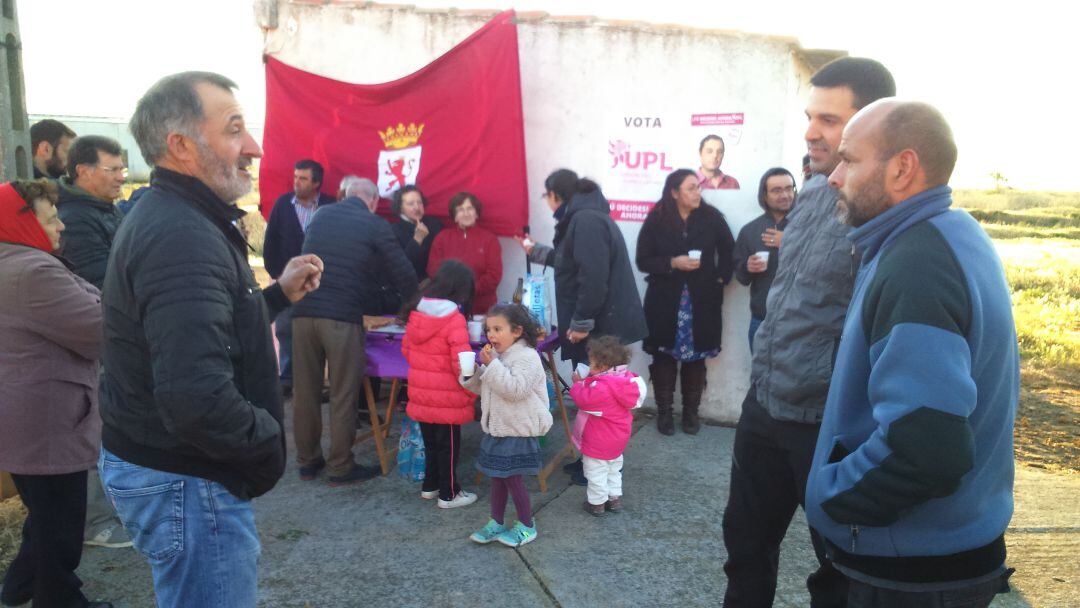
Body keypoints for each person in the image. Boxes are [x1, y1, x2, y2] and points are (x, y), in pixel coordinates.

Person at [97, 72, 324, 608]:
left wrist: (276, 296)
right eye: (234, 129)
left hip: (172, 469)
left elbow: (203, 332)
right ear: (181, 146)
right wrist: (265, 438)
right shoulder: (181, 234)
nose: (254, 147)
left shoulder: (183, 216)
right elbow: (193, 396)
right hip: (187, 479)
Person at [806, 100, 1017, 607]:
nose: (834, 177)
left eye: (850, 160)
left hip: (909, 576)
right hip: (940, 555)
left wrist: (830, 499)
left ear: (902, 168)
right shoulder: (948, 235)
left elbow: (928, 450)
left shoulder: (917, 265)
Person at [721, 57, 896, 608]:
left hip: (826, 428)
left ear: (871, 124)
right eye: (808, 116)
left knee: (840, 574)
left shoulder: (887, 210)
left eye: (826, 118)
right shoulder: (814, 193)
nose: (809, 131)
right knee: (744, 549)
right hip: (765, 408)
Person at [0, 180, 113, 608]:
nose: (61, 226)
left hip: (25, 415)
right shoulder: (34, 270)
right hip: (46, 418)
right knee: (61, 525)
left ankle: (19, 589)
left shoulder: (13, 261)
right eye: (51, 218)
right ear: (23, 223)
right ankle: (59, 600)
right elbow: (99, 329)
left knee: (44, 516)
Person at [290, 176, 418, 485]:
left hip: (302, 313)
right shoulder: (374, 224)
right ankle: (340, 466)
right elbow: (402, 271)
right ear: (373, 202)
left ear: (346, 194)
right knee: (343, 392)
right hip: (342, 316)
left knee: (305, 392)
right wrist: (414, 304)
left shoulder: (320, 216)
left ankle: (307, 463)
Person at [522, 169, 646, 484]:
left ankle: (603, 466)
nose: (548, 205)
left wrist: (580, 323)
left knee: (603, 400)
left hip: (599, 327)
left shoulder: (585, 220)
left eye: (547, 197)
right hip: (598, 324)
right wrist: (537, 252)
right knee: (596, 399)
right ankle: (592, 459)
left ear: (555, 195)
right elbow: (572, 262)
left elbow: (592, 277)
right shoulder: (585, 216)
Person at [52, 134, 134, 551]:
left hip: (114, 334)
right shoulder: (76, 219)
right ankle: (97, 522)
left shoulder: (105, 211)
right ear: (83, 171)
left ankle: (115, 507)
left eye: (122, 168)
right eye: (113, 169)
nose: (122, 176)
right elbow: (102, 281)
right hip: (96, 338)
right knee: (94, 427)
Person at [636, 169, 735, 435]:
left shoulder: (712, 218)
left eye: (698, 187)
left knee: (695, 358)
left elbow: (729, 251)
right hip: (664, 300)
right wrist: (672, 263)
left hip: (702, 301)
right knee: (663, 356)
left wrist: (720, 279)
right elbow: (643, 260)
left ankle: (691, 414)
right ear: (674, 192)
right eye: (691, 188)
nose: (697, 192)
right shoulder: (657, 219)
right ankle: (664, 413)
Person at [464, 304, 553, 547]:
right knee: (497, 477)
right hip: (499, 428)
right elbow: (488, 389)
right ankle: (497, 521)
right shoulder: (501, 357)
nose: (490, 335)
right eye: (488, 330)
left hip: (518, 429)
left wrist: (492, 365)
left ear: (517, 331)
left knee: (512, 479)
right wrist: (472, 373)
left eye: (497, 329)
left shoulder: (528, 357)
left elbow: (515, 390)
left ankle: (526, 525)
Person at [401, 260, 479, 508]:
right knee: (449, 447)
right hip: (447, 396)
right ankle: (449, 494)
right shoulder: (453, 318)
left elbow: (406, 351)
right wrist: (474, 382)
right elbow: (461, 363)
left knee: (432, 445)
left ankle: (431, 486)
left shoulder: (417, 312)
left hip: (421, 393)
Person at [263, 159, 336, 397]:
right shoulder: (283, 204)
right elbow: (271, 241)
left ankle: (318, 381)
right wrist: (277, 274)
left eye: (303, 178)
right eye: (295, 177)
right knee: (286, 330)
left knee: (320, 332)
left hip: (321, 284)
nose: (297, 182)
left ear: (316, 183)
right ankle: (287, 378)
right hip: (288, 282)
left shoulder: (330, 206)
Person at [568, 336, 647, 516]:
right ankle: (614, 499)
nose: (590, 367)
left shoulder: (602, 388)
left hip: (599, 440)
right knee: (613, 468)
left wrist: (578, 384)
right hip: (618, 439)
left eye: (592, 364)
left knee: (595, 472)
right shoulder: (626, 380)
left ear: (603, 367)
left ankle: (597, 504)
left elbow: (584, 400)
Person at [732, 167, 796, 350]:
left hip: (800, 324)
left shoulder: (808, 227)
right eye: (777, 190)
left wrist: (790, 242)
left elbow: (822, 267)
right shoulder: (751, 231)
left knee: (794, 379)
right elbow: (742, 278)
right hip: (762, 321)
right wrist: (747, 267)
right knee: (760, 378)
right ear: (765, 196)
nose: (785, 195)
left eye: (789, 188)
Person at [426, 192, 502, 312]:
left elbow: (494, 275)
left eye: (470, 208)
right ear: (454, 215)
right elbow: (433, 270)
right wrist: (453, 291)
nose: (466, 213)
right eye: (460, 210)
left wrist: (469, 290)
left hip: (482, 308)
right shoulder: (442, 238)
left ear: (476, 214)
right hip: (448, 306)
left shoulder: (489, 239)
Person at [391, 185, 443, 280]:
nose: (417, 207)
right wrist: (417, 239)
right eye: (411, 204)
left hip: (436, 281)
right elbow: (400, 265)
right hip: (411, 284)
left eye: (420, 202)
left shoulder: (435, 224)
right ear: (400, 207)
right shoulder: (393, 230)